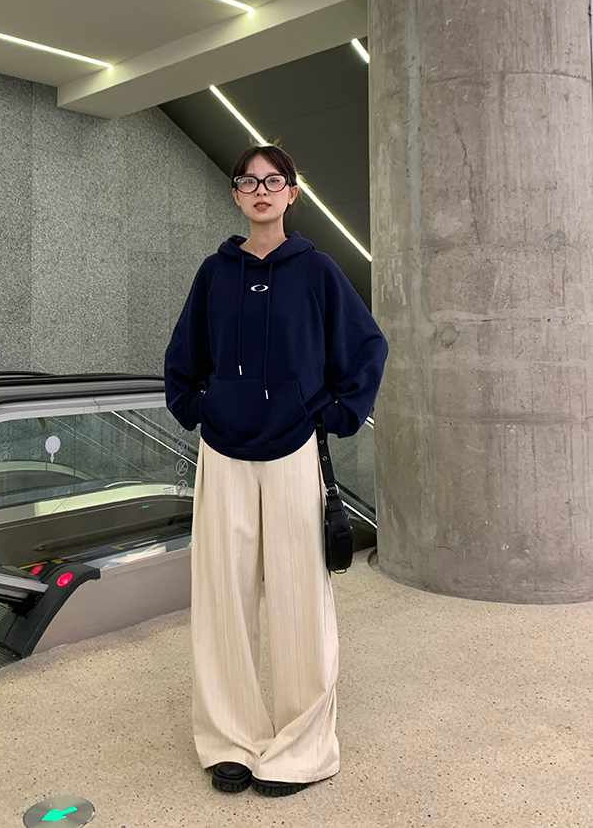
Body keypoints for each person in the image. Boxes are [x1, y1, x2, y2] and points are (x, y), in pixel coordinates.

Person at [164, 144, 388, 798]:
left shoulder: (315, 271)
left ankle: (303, 746)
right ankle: (229, 740)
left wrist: (336, 413)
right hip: (222, 453)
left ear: (292, 192)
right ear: (236, 194)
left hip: (294, 450)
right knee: (222, 602)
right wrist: (199, 405)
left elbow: (367, 346)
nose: (260, 189)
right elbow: (183, 358)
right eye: (248, 180)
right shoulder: (214, 272)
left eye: (273, 180)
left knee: (300, 603)